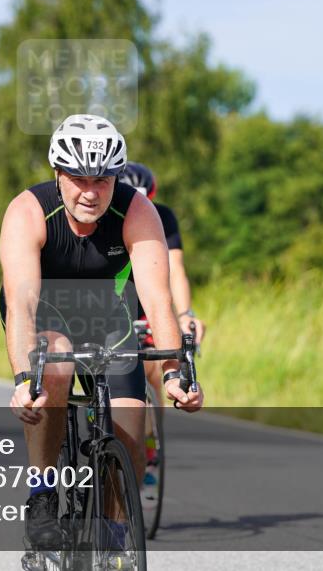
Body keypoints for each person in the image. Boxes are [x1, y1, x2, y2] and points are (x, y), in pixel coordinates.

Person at [0, 115, 204, 556]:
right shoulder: (28, 211)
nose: (90, 192)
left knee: (130, 431)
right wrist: (23, 380)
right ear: (58, 173)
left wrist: (174, 373)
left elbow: (156, 297)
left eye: (102, 179)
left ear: (115, 177)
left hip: (103, 311)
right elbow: (22, 304)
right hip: (43, 309)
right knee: (57, 361)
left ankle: (114, 545)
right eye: (77, 178)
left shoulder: (136, 210)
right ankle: (43, 494)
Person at [118, 162, 206, 500]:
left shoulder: (160, 216)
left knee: (155, 370)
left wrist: (185, 315)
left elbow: (176, 268)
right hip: (111, 300)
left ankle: (149, 447)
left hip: (148, 299)